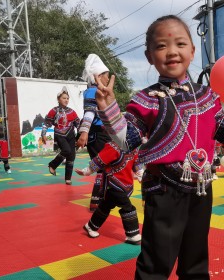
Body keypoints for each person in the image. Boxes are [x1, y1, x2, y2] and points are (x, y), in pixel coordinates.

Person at [93, 14, 224, 280]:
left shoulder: (209, 97)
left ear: (192, 50)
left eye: (180, 44)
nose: (172, 52)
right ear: (149, 55)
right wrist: (109, 109)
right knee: (156, 263)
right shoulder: (145, 100)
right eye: (161, 46)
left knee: (196, 261)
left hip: (201, 189)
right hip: (163, 190)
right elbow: (127, 139)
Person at [75, 141, 143, 244]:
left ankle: (91, 226)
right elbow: (99, 161)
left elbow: (136, 162)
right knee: (127, 207)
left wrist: (140, 174)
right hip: (114, 183)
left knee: (105, 206)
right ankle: (132, 234)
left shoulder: (132, 146)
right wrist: (86, 171)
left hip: (125, 183)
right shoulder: (113, 147)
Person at [76, 54, 112, 211]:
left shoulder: (92, 90)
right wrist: (84, 133)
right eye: (106, 75)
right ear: (98, 76)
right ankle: (97, 201)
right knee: (104, 167)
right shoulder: (93, 91)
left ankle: (98, 200)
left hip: (97, 134)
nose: (108, 78)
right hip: (97, 134)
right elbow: (90, 113)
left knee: (103, 167)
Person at [42, 87, 80, 185]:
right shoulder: (53, 111)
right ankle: (52, 165)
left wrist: (82, 135)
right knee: (66, 151)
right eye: (64, 98)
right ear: (59, 99)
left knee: (71, 156)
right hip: (59, 134)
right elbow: (47, 123)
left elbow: (78, 124)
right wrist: (43, 134)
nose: (66, 100)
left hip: (71, 134)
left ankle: (68, 178)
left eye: (67, 98)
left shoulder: (72, 111)